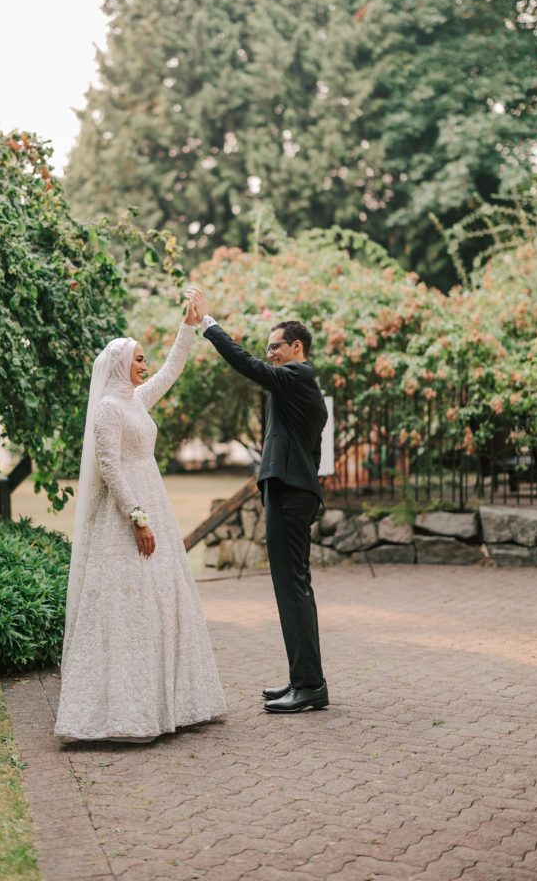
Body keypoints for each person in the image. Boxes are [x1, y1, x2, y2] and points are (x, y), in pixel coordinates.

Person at [54, 301, 226, 742]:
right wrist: (136, 517)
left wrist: (187, 328)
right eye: (138, 360)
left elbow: (171, 371)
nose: (144, 366)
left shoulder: (136, 399)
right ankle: (120, 710)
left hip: (155, 500)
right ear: (119, 364)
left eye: (143, 359)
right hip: (127, 511)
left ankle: (172, 702)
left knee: (162, 596)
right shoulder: (109, 408)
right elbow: (108, 466)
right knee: (125, 602)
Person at [185, 287, 329, 714]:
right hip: (289, 490)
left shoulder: (300, 378)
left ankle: (311, 686)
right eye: (268, 349)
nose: (269, 355)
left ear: (296, 346)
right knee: (291, 588)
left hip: (290, 492)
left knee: (293, 588)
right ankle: (303, 679)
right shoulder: (292, 387)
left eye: (275, 347)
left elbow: (245, 364)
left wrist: (209, 324)